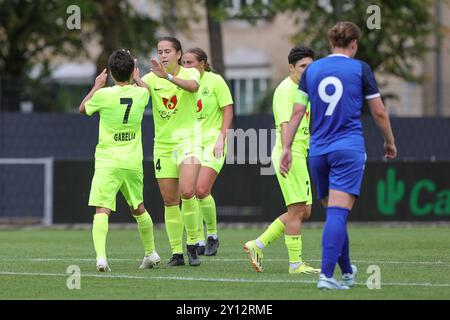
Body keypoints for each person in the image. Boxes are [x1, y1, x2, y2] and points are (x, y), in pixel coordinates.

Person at [281, 22, 397, 289]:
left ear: (331, 42)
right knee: (337, 214)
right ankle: (326, 275)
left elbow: (297, 113)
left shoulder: (313, 70)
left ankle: (346, 271)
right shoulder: (360, 69)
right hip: (347, 149)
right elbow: (379, 112)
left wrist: (286, 148)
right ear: (354, 43)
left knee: (335, 213)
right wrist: (389, 141)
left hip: (318, 151)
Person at [79, 49, 160, 272]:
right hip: (132, 162)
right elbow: (145, 88)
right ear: (132, 71)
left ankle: (102, 258)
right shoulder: (140, 94)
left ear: (111, 74)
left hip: (108, 161)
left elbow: (83, 108)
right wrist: (136, 75)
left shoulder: (103, 95)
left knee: (102, 209)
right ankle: (151, 253)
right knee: (139, 208)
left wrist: (97, 85)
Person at [243, 46, 320, 275]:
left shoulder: (302, 89)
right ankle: (295, 265)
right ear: (291, 68)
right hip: (290, 153)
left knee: (304, 210)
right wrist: (287, 151)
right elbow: (286, 124)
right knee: (297, 210)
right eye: (303, 66)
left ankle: (257, 245)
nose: (308, 71)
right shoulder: (287, 90)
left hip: (297, 152)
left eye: (311, 66)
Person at [141, 37, 202, 267]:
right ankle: (177, 252)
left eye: (168, 51)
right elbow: (137, 91)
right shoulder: (150, 78)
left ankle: (193, 244)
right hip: (163, 146)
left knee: (187, 192)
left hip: (189, 142)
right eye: (160, 51)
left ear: (178, 54)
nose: (163, 55)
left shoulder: (190, 73)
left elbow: (193, 87)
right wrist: (132, 75)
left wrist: (165, 76)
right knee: (169, 200)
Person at [182, 48, 234, 256]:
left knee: (201, 189)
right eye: (183, 62)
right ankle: (198, 240)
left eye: (190, 63)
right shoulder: (183, 83)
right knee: (189, 191)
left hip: (213, 141)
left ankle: (212, 235)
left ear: (202, 63)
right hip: (190, 142)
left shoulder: (215, 81)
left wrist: (222, 136)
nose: (186, 67)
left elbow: (227, 109)